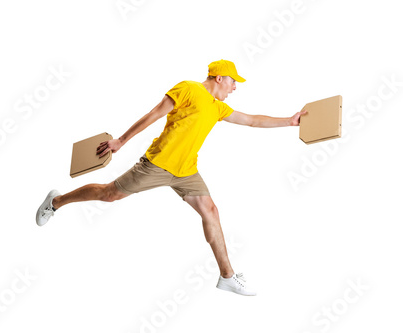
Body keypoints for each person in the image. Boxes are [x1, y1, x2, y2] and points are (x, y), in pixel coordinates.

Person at [36, 59, 307, 296]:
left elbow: (252, 120)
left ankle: (227, 277)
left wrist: (289, 121)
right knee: (109, 194)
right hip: (158, 164)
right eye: (233, 82)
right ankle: (56, 201)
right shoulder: (188, 88)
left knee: (211, 211)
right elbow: (155, 114)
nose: (235, 88)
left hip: (186, 170)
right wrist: (121, 140)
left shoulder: (217, 107)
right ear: (220, 78)